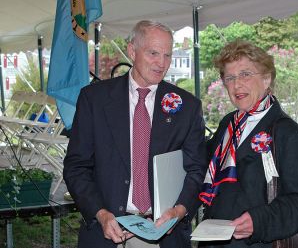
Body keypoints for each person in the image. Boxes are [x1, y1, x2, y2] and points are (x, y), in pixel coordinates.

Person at [63, 20, 207, 248]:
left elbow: (197, 170)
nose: (162, 63)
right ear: (132, 51)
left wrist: (179, 211)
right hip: (107, 231)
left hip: (162, 233)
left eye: (167, 55)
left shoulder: (187, 106)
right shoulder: (94, 99)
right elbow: (76, 166)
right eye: (153, 53)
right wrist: (100, 214)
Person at [198, 40, 298, 247]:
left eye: (246, 74)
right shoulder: (228, 123)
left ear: (266, 78)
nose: (237, 84)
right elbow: (204, 166)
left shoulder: (286, 132)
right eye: (230, 77)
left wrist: (259, 221)